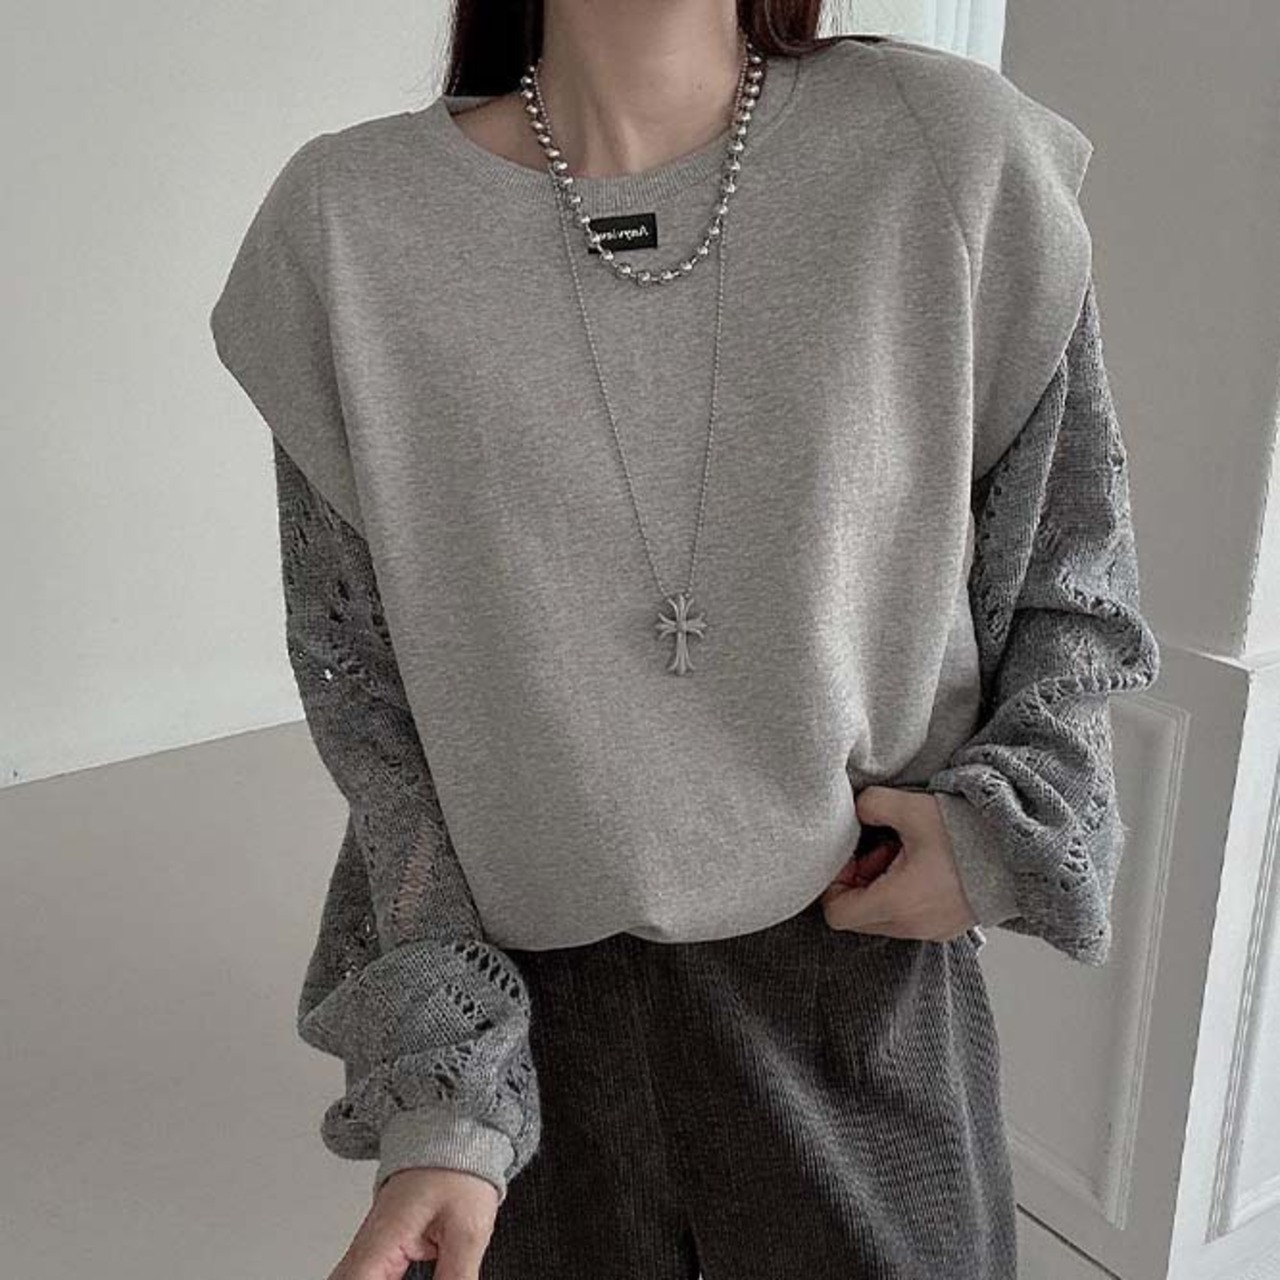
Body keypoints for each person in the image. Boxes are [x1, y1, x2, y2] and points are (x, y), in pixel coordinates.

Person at [209, 4, 1162, 1277]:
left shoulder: (944, 150)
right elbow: (369, 707)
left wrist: (1011, 824)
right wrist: (447, 1094)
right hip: (528, 1025)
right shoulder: (345, 223)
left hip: (859, 982)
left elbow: (1069, 563)